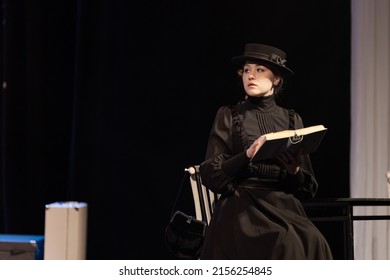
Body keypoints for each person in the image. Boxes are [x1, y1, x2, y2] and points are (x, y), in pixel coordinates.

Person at [199, 43, 333, 259]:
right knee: (286, 242)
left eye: (260, 70)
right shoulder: (229, 115)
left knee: (315, 241)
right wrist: (248, 154)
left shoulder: (291, 119)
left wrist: (294, 171)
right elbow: (211, 173)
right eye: (246, 70)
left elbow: (307, 187)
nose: (251, 75)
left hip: (283, 204)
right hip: (242, 205)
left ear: (276, 79)